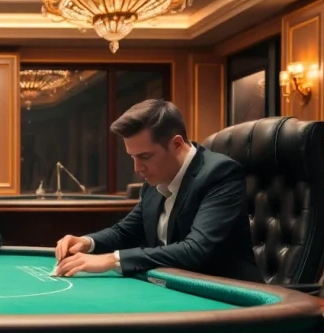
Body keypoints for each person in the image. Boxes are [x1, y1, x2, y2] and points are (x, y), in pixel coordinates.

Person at [53, 99, 261, 283]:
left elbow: (196, 250)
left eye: (144, 157)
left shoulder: (220, 173)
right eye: (132, 157)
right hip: (174, 288)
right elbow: (126, 231)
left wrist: (111, 259)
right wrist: (87, 242)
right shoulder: (154, 178)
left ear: (176, 144)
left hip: (229, 299)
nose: (137, 168)